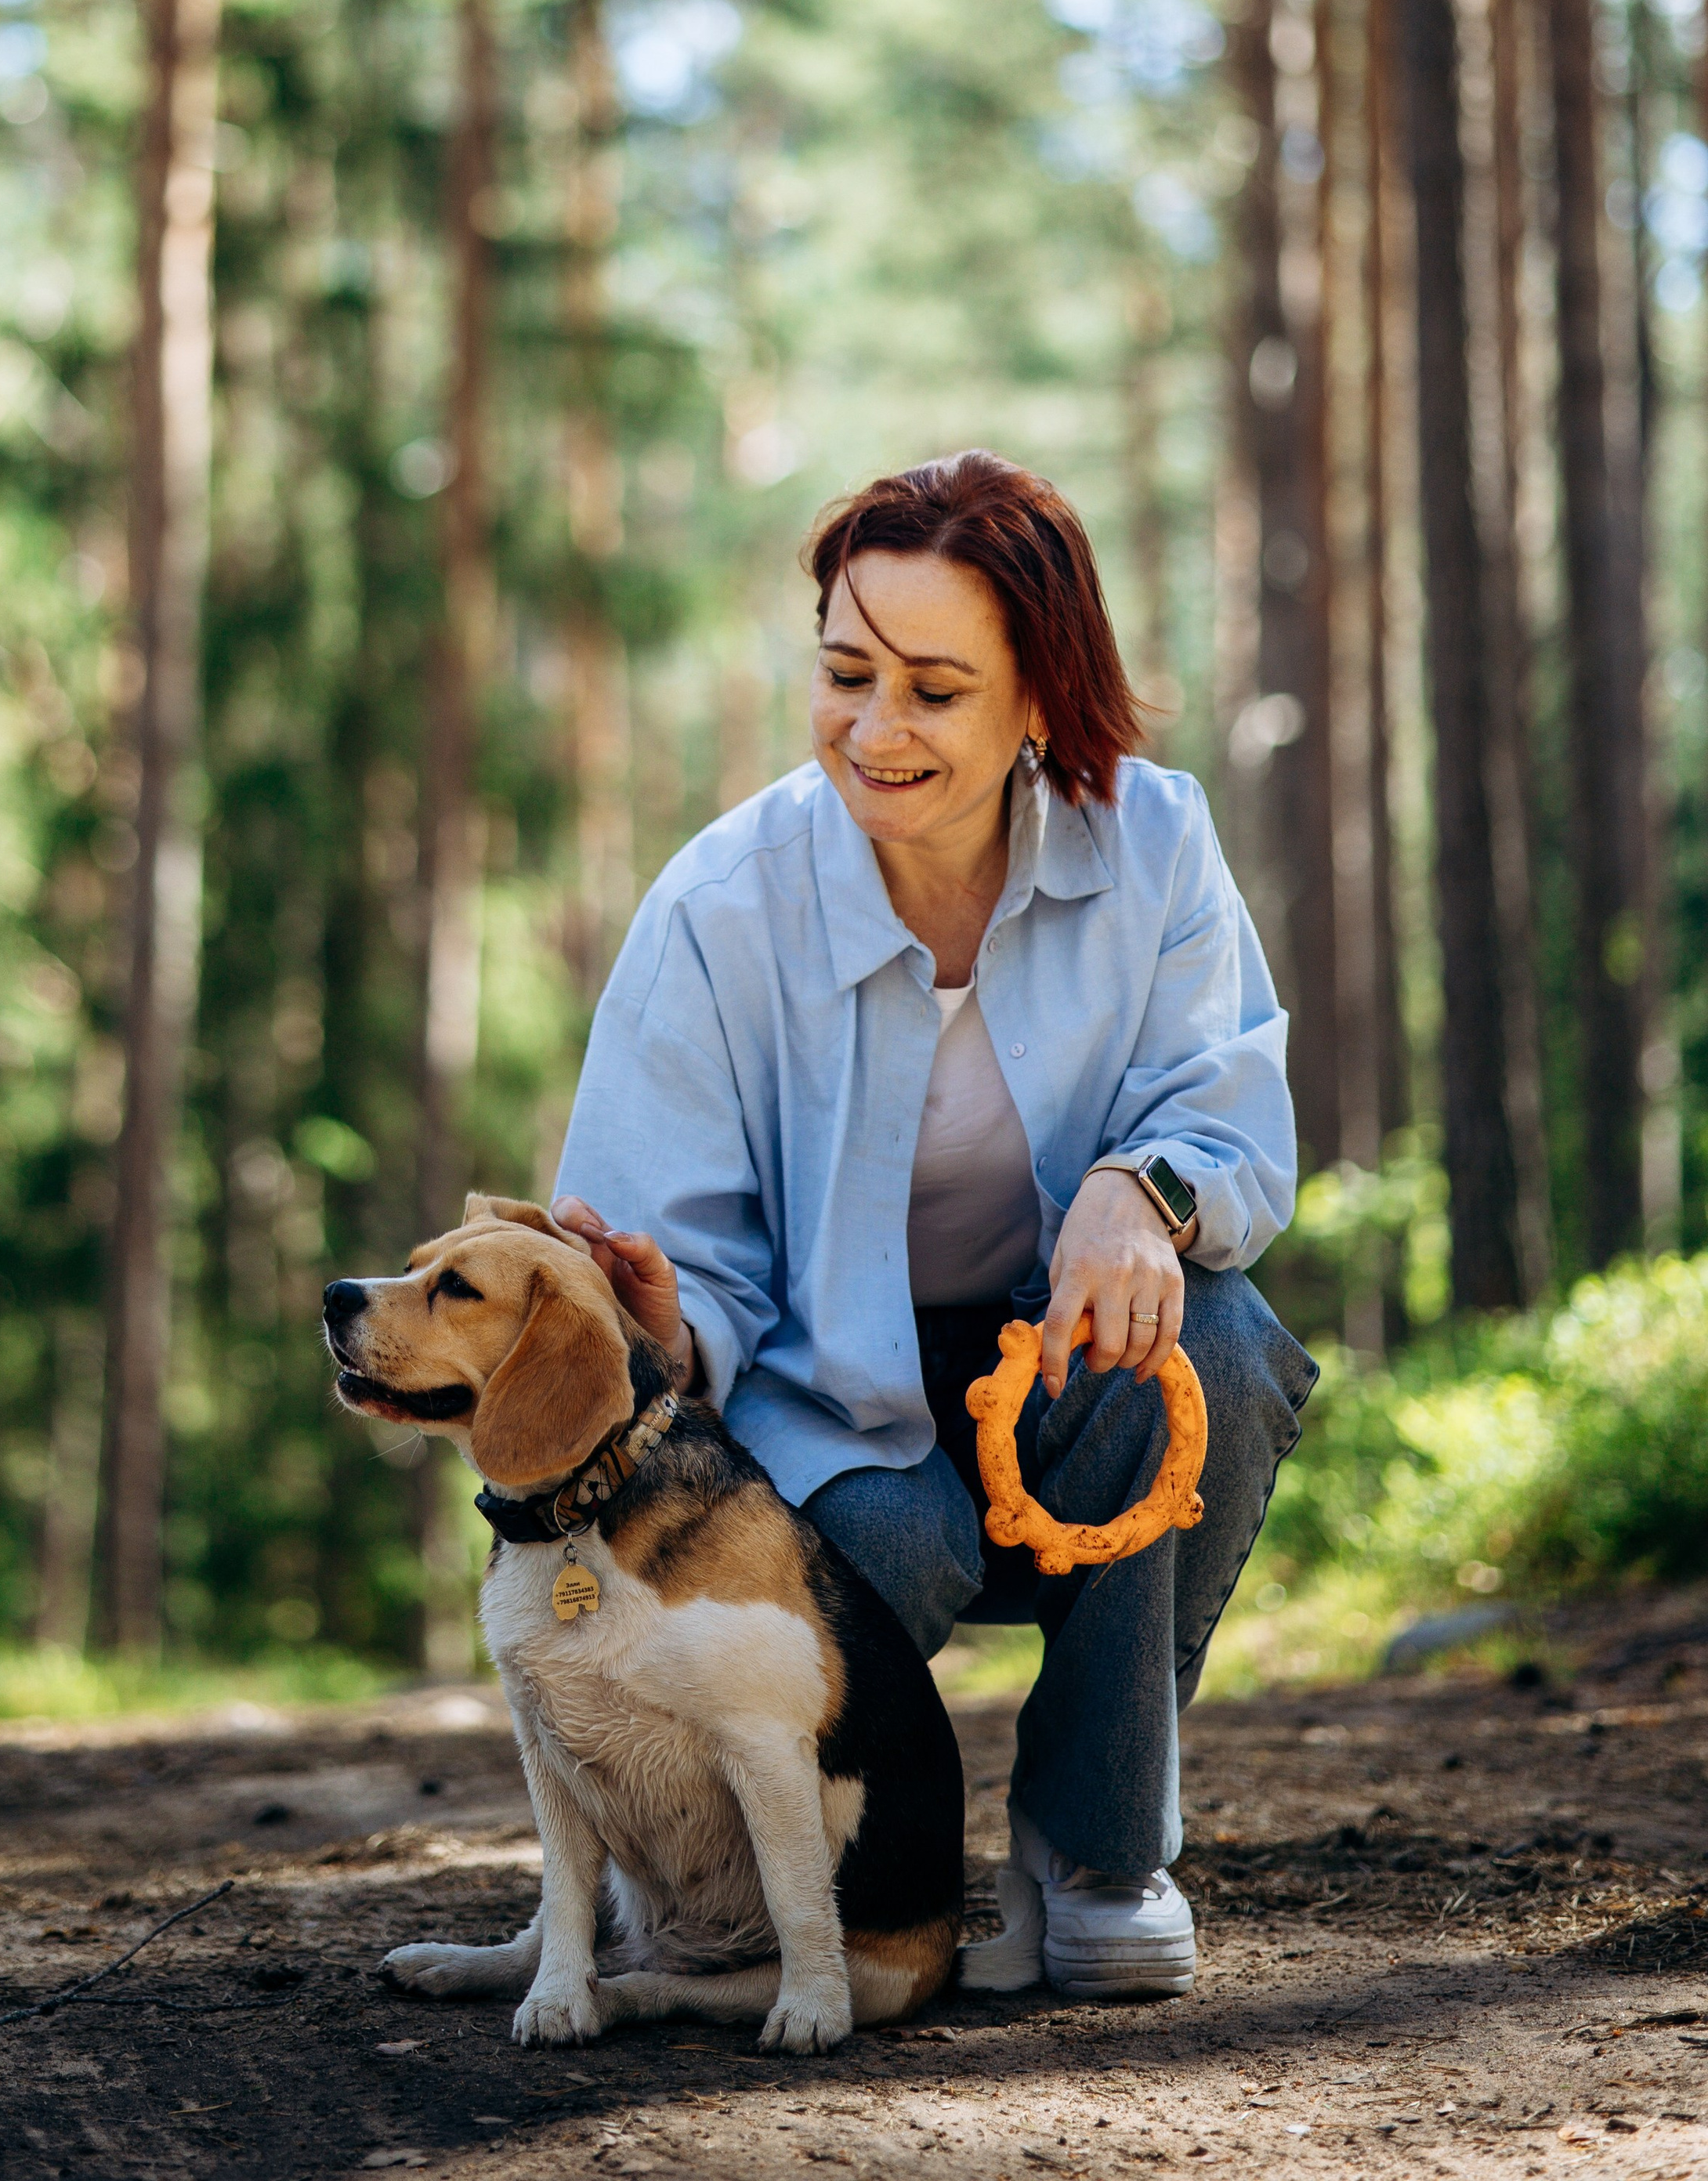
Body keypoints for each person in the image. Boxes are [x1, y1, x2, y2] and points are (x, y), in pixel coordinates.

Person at [552, 450, 1315, 2002]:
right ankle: (813, 1870)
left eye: (932, 689)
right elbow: (681, 1260)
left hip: (1067, 1366)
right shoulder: (717, 907)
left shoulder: (1151, 843)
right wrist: (654, 1307)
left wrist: (1142, 1191)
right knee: (890, 1546)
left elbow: (1229, 1118)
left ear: (1039, 698)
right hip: (830, 1403)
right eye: (844, 673)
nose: (872, 728)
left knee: (1223, 1348)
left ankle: (1096, 1848)